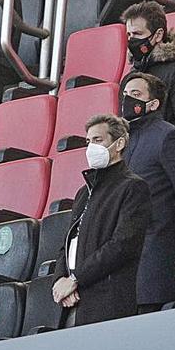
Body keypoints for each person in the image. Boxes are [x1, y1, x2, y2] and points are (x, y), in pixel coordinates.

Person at [52, 115, 150, 326]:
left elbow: (123, 244)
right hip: (74, 300)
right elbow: (68, 242)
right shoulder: (83, 193)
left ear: (119, 143)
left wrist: (76, 279)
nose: (91, 147)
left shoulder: (133, 187)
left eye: (98, 140)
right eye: (88, 142)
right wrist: (61, 279)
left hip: (108, 300)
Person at [120, 72, 175, 312]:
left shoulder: (169, 136)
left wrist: (167, 237)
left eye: (135, 95)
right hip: (122, 273)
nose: (127, 100)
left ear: (153, 103)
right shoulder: (121, 143)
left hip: (152, 269)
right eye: (125, 94)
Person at [122, 0, 175, 149]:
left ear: (158, 34)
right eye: (129, 35)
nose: (132, 40)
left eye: (137, 34)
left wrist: (165, 158)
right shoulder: (130, 78)